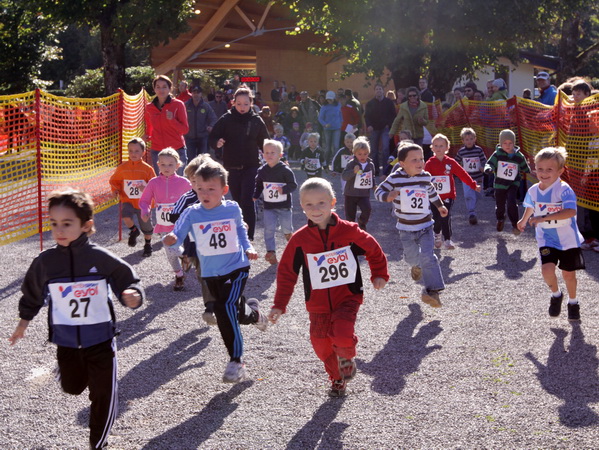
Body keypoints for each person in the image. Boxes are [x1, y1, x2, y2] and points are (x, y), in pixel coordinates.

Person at [9, 189, 143, 449]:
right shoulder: (45, 262)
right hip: (67, 340)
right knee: (72, 387)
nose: (59, 230)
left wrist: (133, 294)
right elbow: (32, 294)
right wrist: (22, 324)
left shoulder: (100, 258)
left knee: (103, 394)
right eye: (54, 224)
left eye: (67, 224)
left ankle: (98, 444)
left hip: (101, 339)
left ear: (85, 225)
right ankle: (66, 370)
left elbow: (127, 278)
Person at [268, 178, 389, 397]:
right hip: (317, 303)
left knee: (342, 333)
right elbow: (287, 273)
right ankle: (337, 378)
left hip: (348, 296)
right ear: (302, 206)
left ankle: (346, 357)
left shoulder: (349, 231)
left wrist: (379, 273)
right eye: (309, 204)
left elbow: (373, 249)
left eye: (321, 203)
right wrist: (279, 305)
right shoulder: (299, 240)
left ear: (333, 202)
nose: (316, 209)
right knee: (320, 344)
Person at [163, 157, 268, 383]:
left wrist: (249, 248)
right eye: (200, 188)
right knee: (234, 311)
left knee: (223, 307)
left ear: (224, 190)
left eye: (211, 189)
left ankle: (236, 361)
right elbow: (177, 235)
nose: (205, 193)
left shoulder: (232, 208)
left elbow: (240, 231)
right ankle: (255, 314)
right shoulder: (192, 212)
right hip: (210, 272)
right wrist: (171, 239)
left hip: (236, 267)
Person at [375, 143, 448, 308]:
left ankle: (433, 291)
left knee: (429, 256)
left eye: (421, 158)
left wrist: (440, 206)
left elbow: (432, 192)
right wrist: (388, 196)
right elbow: (378, 192)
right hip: (406, 229)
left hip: (426, 226)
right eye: (414, 160)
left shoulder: (425, 177)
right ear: (402, 163)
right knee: (412, 258)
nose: (419, 162)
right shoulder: (394, 178)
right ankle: (416, 266)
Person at [517, 147, 585, 321]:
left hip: (568, 239)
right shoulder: (533, 190)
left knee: (568, 274)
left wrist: (543, 217)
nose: (544, 173)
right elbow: (530, 206)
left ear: (560, 171)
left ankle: (573, 302)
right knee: (547, 270)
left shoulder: (564, 189)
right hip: (546, 238)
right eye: (540, 169)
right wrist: (523, 220)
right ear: (535, 169)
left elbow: (570, 211)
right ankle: (556, 294)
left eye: (549, 169)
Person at [209, 87, 270, 241]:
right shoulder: (226, 119)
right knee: (237, 202)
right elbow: (212, 137)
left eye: (246, 104)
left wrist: (274, 157)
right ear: (233, 103)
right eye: (239, 104)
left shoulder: (256, 120)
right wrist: (217, 142)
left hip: (251, 166)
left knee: (247, 200)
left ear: (251, 103)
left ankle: (249, 238)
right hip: (231, 167)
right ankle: (238, 233)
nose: (242, 107)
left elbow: (266, 142)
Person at [168, 154, 218, 325]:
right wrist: (190, 219)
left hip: (215, 243)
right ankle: (210, 307)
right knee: (203, 274)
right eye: (193, 181)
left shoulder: (217, 196)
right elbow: (173, 216)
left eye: (201, 180)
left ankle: (216, 304)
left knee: (217, 273)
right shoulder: (187, 198)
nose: (197, 185)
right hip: (194, 244)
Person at [139, 148, 192, 290]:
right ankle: (179, 273)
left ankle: (185, 257)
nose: (166, 167)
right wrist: (145, 210)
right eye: (163, 164)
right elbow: (144, 200)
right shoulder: (153, 183)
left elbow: (194, 199)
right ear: (158, 165)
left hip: (181, 224)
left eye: (170, 164)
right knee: (170, 252)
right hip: (163, 224)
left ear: (177, 165)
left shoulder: (184, 182)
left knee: (173, 248)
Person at [425, 134, 480, 249]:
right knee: (437, 217)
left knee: (445, 216)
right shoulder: (429, 163)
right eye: (436, 146)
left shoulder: (451, 162)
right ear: (432, 147)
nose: (438, 148)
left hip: (448, 196)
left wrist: (473, 185)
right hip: (434, 197)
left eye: (441, 146)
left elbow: (462, 174)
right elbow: (424, 179)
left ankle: (447, 240)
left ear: (447, 148)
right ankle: (437, 234)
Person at [253, 139, 298, 265]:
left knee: (286, 229)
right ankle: (271, 252)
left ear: (280, 155)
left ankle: (293, 246)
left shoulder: (285, 170)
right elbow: (259, 184)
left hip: (284, 206)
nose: (269, 155)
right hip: (269, 206)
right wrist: (255, 195)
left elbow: (293, 185)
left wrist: (284, 189)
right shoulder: (262, 170)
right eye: (266, 152)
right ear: (263, 154)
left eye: (272, 152)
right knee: (268, 229)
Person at [109, 137, 156, 250]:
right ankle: (134, 231)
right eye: (130, 151)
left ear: (143, 152)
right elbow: (114, 181)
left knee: (146, 224)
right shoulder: (122, 168)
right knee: (126, 216)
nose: (133, 154)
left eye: (136, 151)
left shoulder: (147, 169)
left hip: (143, 203)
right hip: (127, 200)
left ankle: (148, 244)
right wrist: (115, 190)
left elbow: (154, 184)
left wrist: (146, 189)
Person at [484, 129, 531, 234]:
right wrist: (488, 169)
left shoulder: (518, 156)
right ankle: (500, 218)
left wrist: (528, 170)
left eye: (510, 143)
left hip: (513, 183)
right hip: (500, 184)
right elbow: (490, 163)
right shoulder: (497, 154)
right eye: (505, 143)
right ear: (501, 144)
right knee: (500, 204)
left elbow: (524, 166)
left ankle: (515, 224)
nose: (508, 145)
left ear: (514, 143)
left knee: (511, 202)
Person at [144, 75, 189, 176]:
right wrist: (147, 137)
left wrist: (172, 120)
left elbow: (185, 129)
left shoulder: (178, 104)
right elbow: (149, 128)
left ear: (170, 88)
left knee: (177, 183)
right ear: (154, 89)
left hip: (177, 150)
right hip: (157, 150)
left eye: (164, 87)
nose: (161, 90)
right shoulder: (149, 107)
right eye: (158, 87)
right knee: (160, 182)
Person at [454, 128, 487, 225]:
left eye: (471, 139)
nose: (469, 141)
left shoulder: (478, 150)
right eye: (467, 139)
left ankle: (472, 205)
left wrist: (483, 167)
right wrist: (457, 171)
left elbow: (484, 160)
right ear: (463, 141)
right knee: (468, 195)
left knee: (478, 195)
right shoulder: (461, 152)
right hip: (467, 178)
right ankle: (471, 212)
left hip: (478, 177)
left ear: (475, 139)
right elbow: (456, 162)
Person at [341, 136, 375, 230]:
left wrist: (374, 186)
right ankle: (351, 231)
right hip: (350, 194)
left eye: (365, 154)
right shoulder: (351, 163)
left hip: (364, 194)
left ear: (368, 153)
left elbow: (371, 177)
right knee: (350, 216)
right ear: (354, 153)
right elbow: (344, 176)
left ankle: (362, 223)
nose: (362, 156)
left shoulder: (370, 165)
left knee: (367, 210)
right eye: (359, 154)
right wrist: (353, 172)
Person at [364, 84, 396, 176]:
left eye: (380, 89)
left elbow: (393, 115)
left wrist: (388, 125)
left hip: (385, 128)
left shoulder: (389, 102)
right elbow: (367, 116)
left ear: (383, 91)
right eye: (377, 89)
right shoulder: (370, 103)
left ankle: (386, 170)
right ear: (374, 91)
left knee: (385, 148)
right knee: (374, 150)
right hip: (374, 129)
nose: (378, 90)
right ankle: (375, 169)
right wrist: (369, 125)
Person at [184, 85, 217, 159]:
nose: (196, 94)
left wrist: (211, 126)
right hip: (189, 137)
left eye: (198, 93)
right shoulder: (186, 105)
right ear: (191, 93)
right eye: (194, 92)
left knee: (202, 160)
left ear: (201, 94)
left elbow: (213, 118)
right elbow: (179, 117)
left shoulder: (206, 106)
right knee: (190, 160)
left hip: (203, 137)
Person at [318, 90, 342, 166]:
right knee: (328, 147)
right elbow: (320, 118)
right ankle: (326, 163)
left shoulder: (338, 105)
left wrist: (341, 123)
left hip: (337, 128)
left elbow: (340, 115)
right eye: (328, 99)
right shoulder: (324, 107)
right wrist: (325, 124)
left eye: (331, 99)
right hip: (327, 129)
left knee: (336, 146)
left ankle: (335, 163)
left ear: (334, 98)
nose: (329, 101)